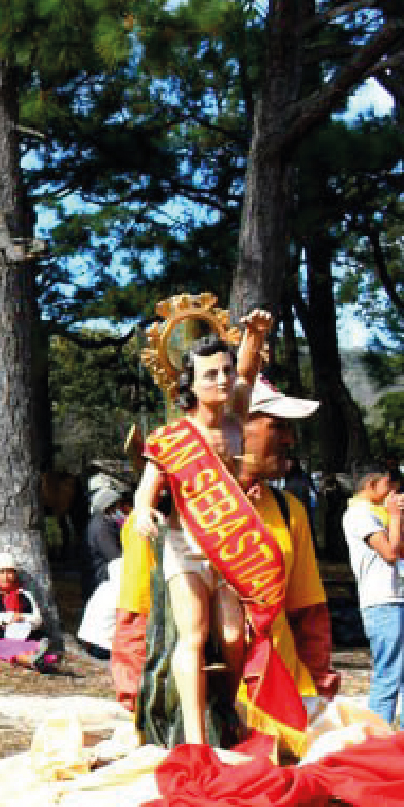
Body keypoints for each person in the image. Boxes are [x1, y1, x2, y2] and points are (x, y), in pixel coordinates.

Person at [127, 314, 272, 746]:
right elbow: (144, 493)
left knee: (232, 637)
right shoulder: (174, 437)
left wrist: (255, 335)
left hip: (228, 546)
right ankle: (194, 739)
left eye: (225, 371)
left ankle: (226, 709)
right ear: (190, 383)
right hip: (185, 546)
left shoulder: (235, 418)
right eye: (211, 374)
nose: (223, 380)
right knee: (192, 634)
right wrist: (143, 514)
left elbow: (247, 369)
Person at [344, 468, 404, 729]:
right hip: (380, 602)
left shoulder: (379, 513)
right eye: (389, 486)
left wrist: (400, 518)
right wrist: (392, 514)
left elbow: (401, 550)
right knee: (388, 675)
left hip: (398, 600)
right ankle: (376, 740)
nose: (395, 493)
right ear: (371, 484)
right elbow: (390, 554)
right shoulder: (358, 514)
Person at [0, 553, 49, 665]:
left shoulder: (24, 594)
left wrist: (21, 617)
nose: (6, 577)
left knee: (35, 644)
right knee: (1, 646)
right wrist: (8, 618)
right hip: (0, 637)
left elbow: (37, 619)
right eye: (1, 572)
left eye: (9, 572)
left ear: (15, 574)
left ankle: (37, 659)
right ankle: (33, 661)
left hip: (24, 636)